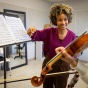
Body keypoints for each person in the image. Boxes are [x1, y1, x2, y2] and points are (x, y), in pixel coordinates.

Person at [27, 3, 76, 88]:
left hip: (64, 66)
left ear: (69, 19)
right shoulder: (49, 31)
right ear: (55, 21)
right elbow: (37, 35)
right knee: (47, 86)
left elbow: (74, 53)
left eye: (65, 19)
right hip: (49, 64)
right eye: (60, 20)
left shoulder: (72, 35)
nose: (63, 22)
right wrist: (30, 32)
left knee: (61, 86)